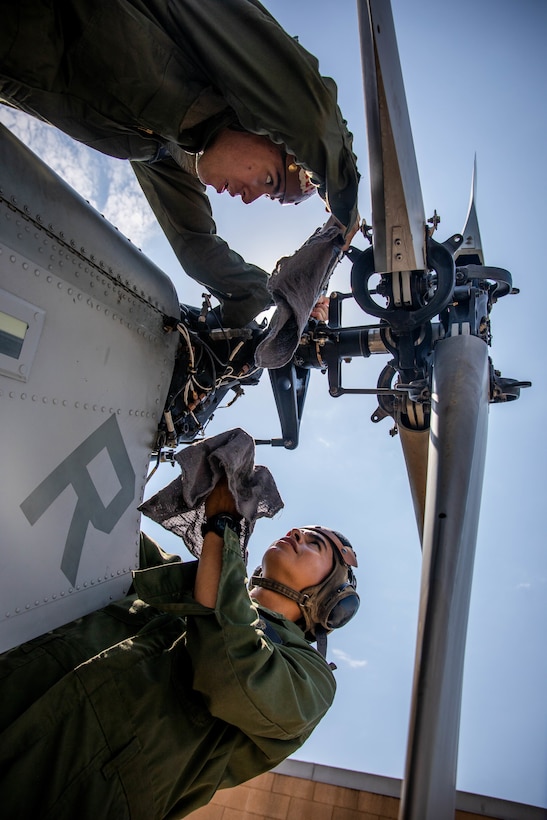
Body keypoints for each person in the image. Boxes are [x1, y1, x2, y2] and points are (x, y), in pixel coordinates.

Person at [0, 476, 359, 819]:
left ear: (331, 600)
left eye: (316, 543)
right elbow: (103, 529)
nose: (296, 533)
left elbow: (232, 667)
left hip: (74, 791)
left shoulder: (310, 680)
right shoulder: (176, 583)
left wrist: (223, 523)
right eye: (303, 531)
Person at [0, 0, 360, 328]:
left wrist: (280, 296)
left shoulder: (161, 146)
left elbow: (196, 248)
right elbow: (310, 115)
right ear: (261, 127)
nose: (250, 198)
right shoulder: (200, 41)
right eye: (269, 180)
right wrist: (343, 209)